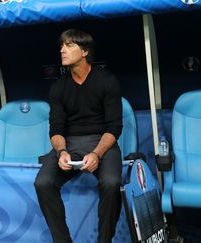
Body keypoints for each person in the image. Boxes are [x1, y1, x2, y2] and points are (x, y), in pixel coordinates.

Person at [34, 29, 123, 243]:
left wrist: (97, 154)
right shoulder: (58, 87)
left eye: (69, 45)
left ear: (84, 51)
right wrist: (61, 151)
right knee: (43, 182)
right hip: (70, 143)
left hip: (102, 142)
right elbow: (56, 129)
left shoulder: (107, 80)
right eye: (61, 46)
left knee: (111, 183)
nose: (62, 50)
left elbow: (114, 127)